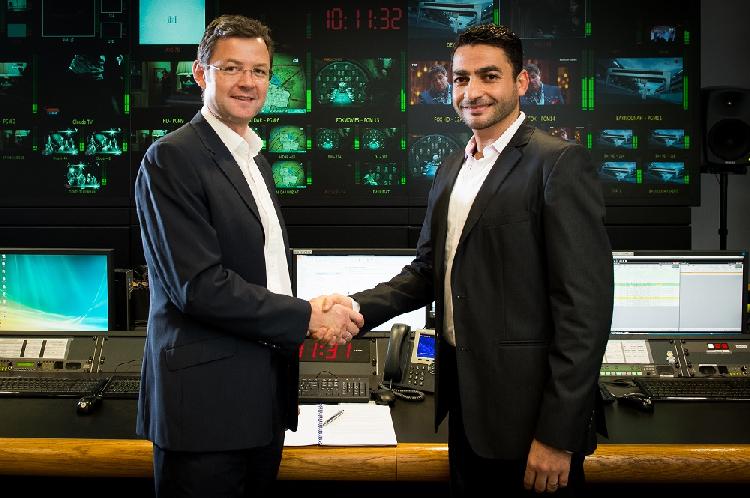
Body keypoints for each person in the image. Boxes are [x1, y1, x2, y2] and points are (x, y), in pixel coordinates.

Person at [328, 24, 613, 496]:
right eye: (461, 78)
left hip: (531, 423)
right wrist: (355, 308)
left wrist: (558, 436)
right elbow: (426, 272)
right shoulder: (452, 167)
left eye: (489, 76)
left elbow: (585, 312)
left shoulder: (558, 164)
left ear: (522, 83)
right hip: (466, 407)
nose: (472, 91)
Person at [134, 15, 363, 498]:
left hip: (261, 400)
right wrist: (307, 317)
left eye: (259, 71)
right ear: (201, 74)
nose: (248, 82)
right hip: (205, 411)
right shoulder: (172, 158)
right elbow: (199, 287)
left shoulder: (253, 157)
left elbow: (262, 272)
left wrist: (311, 309)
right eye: (232, 68)